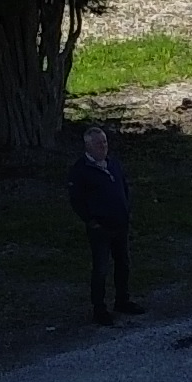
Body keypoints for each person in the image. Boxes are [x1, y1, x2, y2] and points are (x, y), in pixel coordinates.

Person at [67, 124, 141, 323]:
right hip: (101, 228)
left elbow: (123, 187)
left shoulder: (113, 163)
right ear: (88, 146)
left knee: (123, 263)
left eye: (105, 142)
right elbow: (76, 200)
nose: (103, 147)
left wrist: (126, 210)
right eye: (98, 144)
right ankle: (99, 309)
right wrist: (91, 221)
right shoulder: (80, 171)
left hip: (120, 223)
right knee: (100, 268)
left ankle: (122, 300)